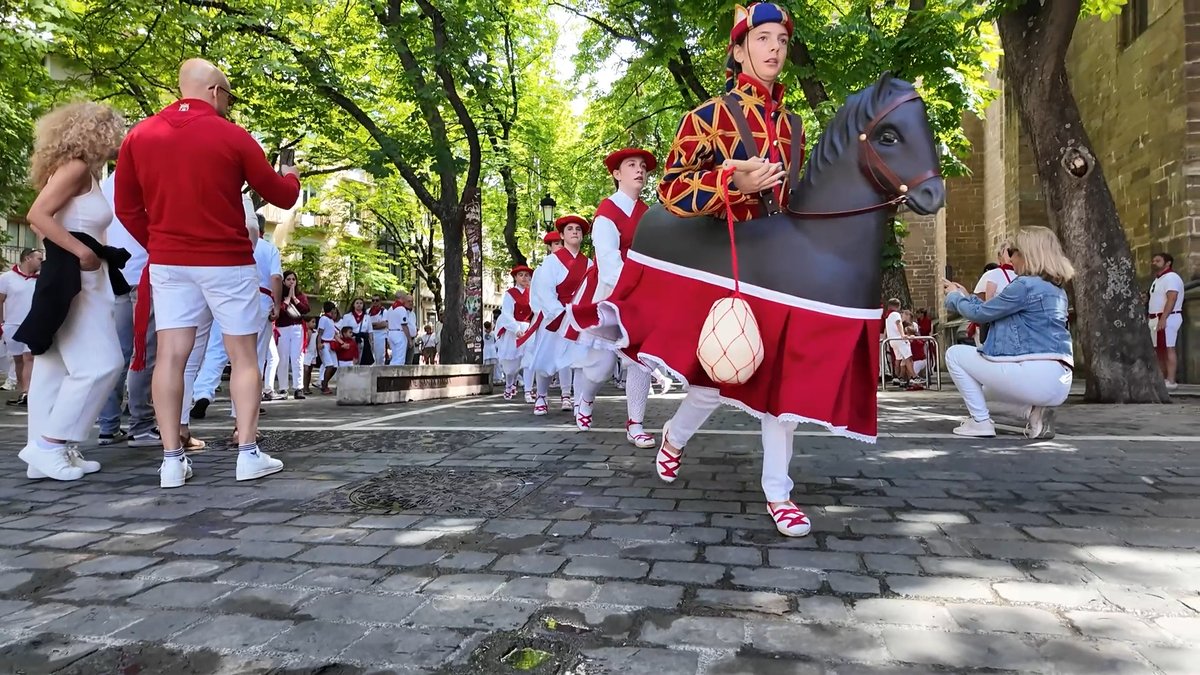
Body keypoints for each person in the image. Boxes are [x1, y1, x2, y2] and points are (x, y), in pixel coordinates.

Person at [567, 3, 812, 537]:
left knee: (782, 384)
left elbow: (794, 200)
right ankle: (674, 437)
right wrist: (732, 184)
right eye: (763, 38)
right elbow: (673, 189)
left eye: (782, 40)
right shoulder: (707, 116)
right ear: (740, 48)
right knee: (714, 379)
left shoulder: (793, 125)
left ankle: (778, 490)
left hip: (778, 268)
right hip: (721, 266)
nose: (774, 48)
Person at [115, 58, 299, 488]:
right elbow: (280, 194)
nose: (229, 104)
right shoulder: (231, 135)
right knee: (243, 356)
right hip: (226, 260)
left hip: (169, 263)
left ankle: (171, 460)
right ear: (215, 91)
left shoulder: (139, 135)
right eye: (229, 96)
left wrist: (160, 241)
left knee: (172, 355)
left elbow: (126, 207)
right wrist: (291, 175)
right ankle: (248, 453)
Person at [15, 102, 127, 480]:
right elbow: (37, 216)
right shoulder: (77, 168)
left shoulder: (82, 171)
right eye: (117, 131)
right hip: (78, 279)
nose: (121, 139)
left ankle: (48, 454)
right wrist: (80, 251)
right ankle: (48, 445)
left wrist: (72, 251)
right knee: (103, 363)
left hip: (77, 277)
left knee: (54, 367)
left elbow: (45, 226)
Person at [942, 227, 1075, 439]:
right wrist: (966, 296)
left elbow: (982, 314)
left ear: (1028, 253)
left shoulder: (1024, 285)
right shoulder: (1055, 289)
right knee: (981, 392)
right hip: (1059, 378)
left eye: (1013, 251)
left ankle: (981, 423)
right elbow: (995, 311)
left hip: (1034, 373)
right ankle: (1035, 413)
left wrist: (955, 298)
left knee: (955, 355)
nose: (1009, 257)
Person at [574, 148, 659, 444]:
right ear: (616, 174)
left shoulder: (649, 214)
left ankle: (635, 424)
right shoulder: (606, 213)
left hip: (642, 293)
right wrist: (634, 286)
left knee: (640, 360)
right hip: (611, 292)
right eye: (632, 165)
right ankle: (584, 400)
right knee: (600, 366)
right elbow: (608, 261)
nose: (640, 171)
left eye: (643, 167)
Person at [529, 215, 594, 417]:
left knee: (580, 362)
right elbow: (544, 290)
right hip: (555, 318)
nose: (575, 232)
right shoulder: (551, 262)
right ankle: (541, 395)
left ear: (582, 236)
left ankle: (578, 402)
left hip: (579, 318)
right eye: (570, 229)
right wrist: (559, 313)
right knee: (546, 360)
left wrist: (583, 315)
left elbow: (594, 291)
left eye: (578, 229)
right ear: (562, 235)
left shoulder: (590, 264)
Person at [0, 248, 43, 407]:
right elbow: (0, 301)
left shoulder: (41, 279)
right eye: (39, 258)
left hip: (33, 324)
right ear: (27, 258)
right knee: (18, 360)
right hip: (12, 324)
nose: (41, 262)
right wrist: (1, 324)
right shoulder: (7, 278)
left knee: (29, 357)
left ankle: (29, 392)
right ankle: (23, 390)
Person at [249, 215, 283, 401]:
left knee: (220, 352)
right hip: (262, 299)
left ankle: (203, 391)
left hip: (236, 298)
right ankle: (248, 403)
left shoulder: (237, 244)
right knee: (257, 355)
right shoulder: (269, 249)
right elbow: (276, 278)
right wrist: (276, 306)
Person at [497, 265, 535, 400]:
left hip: (529, 329)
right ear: (515, 278)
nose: (524, 278)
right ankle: (509, 384)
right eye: (521, 275)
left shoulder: (533, 293)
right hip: (514, 329)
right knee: (511, 365)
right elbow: (506, 314)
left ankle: (528, 391)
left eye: (527, 275)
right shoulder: (510, 293)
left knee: (529, 361)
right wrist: (516, 329)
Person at [1148, 252, 1184, 389]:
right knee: (1159, 349)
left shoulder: (1171, 277)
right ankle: (1162, 378)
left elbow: (1172, 298)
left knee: (1168, 347)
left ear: (1168, 263)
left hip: (1167, 317)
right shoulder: (1158, 279)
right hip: (1155, 318)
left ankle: (1171, 379)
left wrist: (1164, 318)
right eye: (1153, 260)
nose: (1154, 263)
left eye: (1157, 260)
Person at [275, 269, 309, 398]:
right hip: (282, 328)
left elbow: (306, 309)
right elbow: (279, 312)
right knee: (282, 358)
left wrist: (294, 298)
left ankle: (298, 387)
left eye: (293, 279)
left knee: (297, 358)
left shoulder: (300, 295)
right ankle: (283, 388)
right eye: (288, 279)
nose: (291, 282)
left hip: (297, 328)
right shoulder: (278, 295)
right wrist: (287, 300)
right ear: (283, 281)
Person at [884, 298, 920, 390]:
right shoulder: (896, 314)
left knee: (898, 359)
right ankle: (914, 377)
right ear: (898, 306)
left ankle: (897, 377)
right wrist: (903, 334)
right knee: (908, 358)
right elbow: (898, 323)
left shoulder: (888, 316)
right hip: (899, 339)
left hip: (892, 340)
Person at [386, 291, 415, 366]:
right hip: (399, 334)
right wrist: (409, 339)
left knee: (395, 357)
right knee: (400, 359)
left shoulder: (390, 309)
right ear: (402, 298)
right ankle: (395, 375)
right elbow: (404, 325)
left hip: (391, 332)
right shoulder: (401, 309)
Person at [316, 301, 340, 393]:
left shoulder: (331, 320)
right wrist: (319, 343)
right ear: (332, 309)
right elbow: (320, 332)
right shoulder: (324, 319)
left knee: (335, 366)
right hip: (324, 344)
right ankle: (324, 386)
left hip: (331, 345)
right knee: (329, 365)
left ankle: (324, 381)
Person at [341, 298, 372, 365]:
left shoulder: (367, 317)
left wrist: (371, 343)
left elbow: (370, 331)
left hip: (363, 340)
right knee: (352, 359)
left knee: (363, 360)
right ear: (353, 305)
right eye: (357, 303)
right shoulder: (347, 316)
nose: (359, 305)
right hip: (351, 340)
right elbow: (343, 330)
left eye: (361, 303)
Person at [367, 295, 388, 365]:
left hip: (380, 337)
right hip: (370, 336)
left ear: (380, 301)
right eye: (373, 300)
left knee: (380, 357)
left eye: (377, 300)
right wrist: (376, 324)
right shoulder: (368, 311)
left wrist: (371, 325)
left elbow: (384, 324)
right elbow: (366, 325)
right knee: (370, 357)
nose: (375, 302)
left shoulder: (384, 312)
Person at [302, 316, 318, 394]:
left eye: (315, 322)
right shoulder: (306, 331)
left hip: (313, 353)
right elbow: (306, 343)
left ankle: (307, 387)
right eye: (312, 322)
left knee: (310, 371)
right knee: (306, 370)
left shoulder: (316, 331)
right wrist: (309, 334)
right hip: (307, 353)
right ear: (307, 323)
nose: (314, 324)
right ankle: (304, 388)